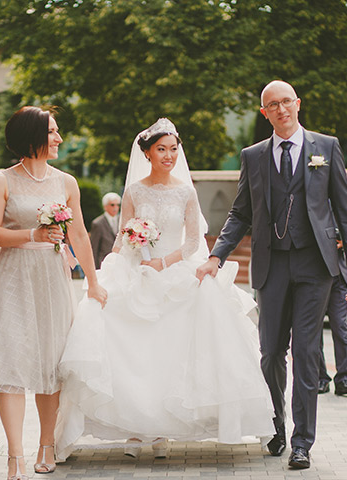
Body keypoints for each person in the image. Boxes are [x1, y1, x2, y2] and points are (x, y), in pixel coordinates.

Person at [56, 118, 274, 461]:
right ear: (147, 153)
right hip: (137, 271)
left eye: (173, 149)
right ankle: (133, 429)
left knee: (170, 352)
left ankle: (161, 431)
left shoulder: (186, 192)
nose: (169, 155)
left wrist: (163, 262)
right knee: (136, 350)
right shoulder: (134, 191)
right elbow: (123, 234)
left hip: (174, 273)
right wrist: (113, 265)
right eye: (161, 149)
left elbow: (193, 242)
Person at [197, 80, 347, 470]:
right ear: (264, 112)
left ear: (298, 104)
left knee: (306, 351)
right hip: (271, 266)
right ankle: (276, 426)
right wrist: (216, 256)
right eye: (273, 105)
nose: (281, 109)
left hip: (316, 265)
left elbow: (343, 207)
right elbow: (240, 212)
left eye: (286, 101)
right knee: (271, 351)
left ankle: (303, 442)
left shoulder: (327, 147)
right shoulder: (253, 156)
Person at [0, 106, 107, 480]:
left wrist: (93, 282)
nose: (58, 138)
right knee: (11, 361)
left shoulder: (66, 182)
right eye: (52, 132)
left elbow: (78, 234)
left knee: (51, 364)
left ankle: (46, 446)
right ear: (32, 135)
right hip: (12, 276)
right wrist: (31, 235)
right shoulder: (1, 179)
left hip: (51, 277)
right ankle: (14, 455)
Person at [317, 233, 347, 396]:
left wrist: (342, 241)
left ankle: (344, 378)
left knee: (341, 327)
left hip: (338, 278)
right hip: (315, 277)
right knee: (315, 330)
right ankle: (321, 378)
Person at [89, 192, 121, 269]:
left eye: (117, 205)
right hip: (104, 264)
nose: (115, 207)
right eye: (112, 205)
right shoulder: (97, 223)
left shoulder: (122, 221)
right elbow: (94, 248)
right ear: (105, 207)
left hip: (119, 263)